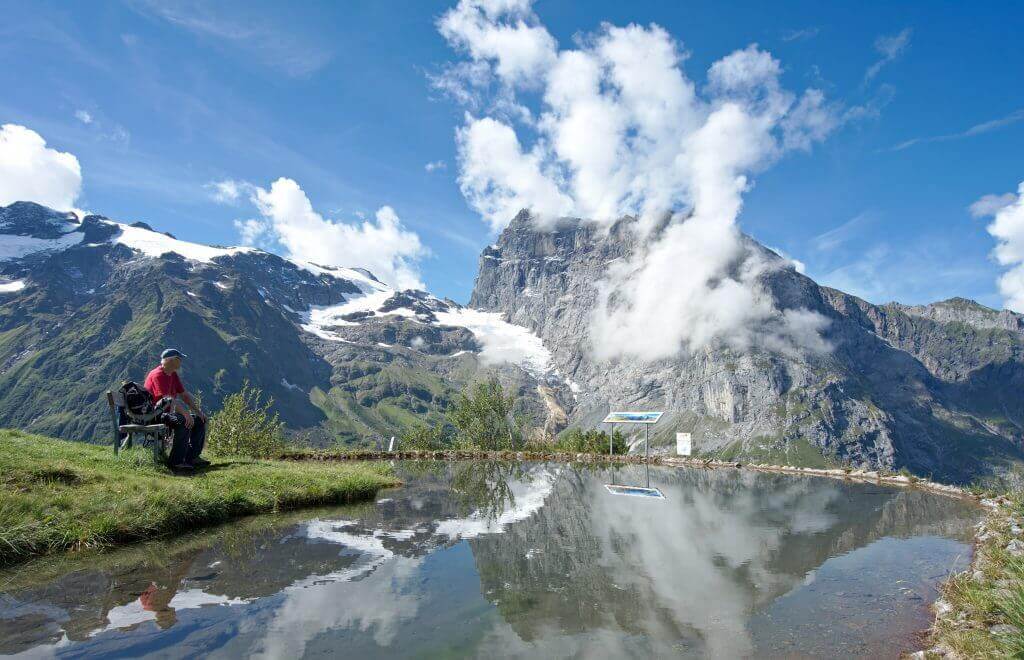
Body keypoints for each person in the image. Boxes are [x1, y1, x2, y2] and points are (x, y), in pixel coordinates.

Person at [144, 348, 208, 471]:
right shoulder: (158, 374)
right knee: (183, 421)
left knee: (200, 420)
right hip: (155, 414)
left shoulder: (172, 374)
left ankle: (192, 457)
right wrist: (186, 414)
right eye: (179, 359)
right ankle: (176, 462)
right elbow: (167, 399)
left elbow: (184, 395)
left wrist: (198, 413)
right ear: (171, 360)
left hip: (167, 413)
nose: (181, 362)